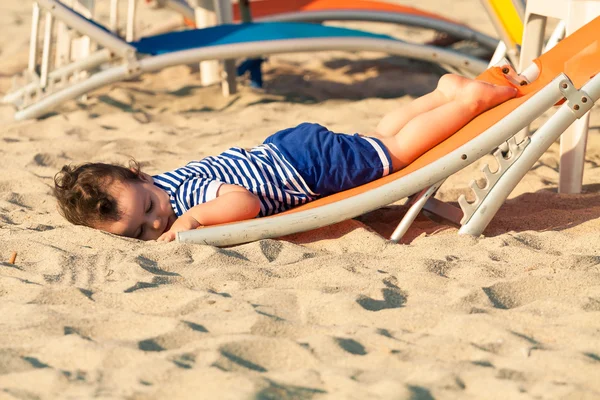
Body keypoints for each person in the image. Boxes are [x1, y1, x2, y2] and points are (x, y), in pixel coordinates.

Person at [53, 74, 517, 242]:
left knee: (393, 154)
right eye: (138, 230)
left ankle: (468, 103)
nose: (155, 224)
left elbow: (244, 204)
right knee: (376, 138)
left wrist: (192, 222)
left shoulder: (186, 199)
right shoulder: (161, 182)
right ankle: (441, 92)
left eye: (150, 211)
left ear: (143, 177)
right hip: (284, 148)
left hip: (306, 169)